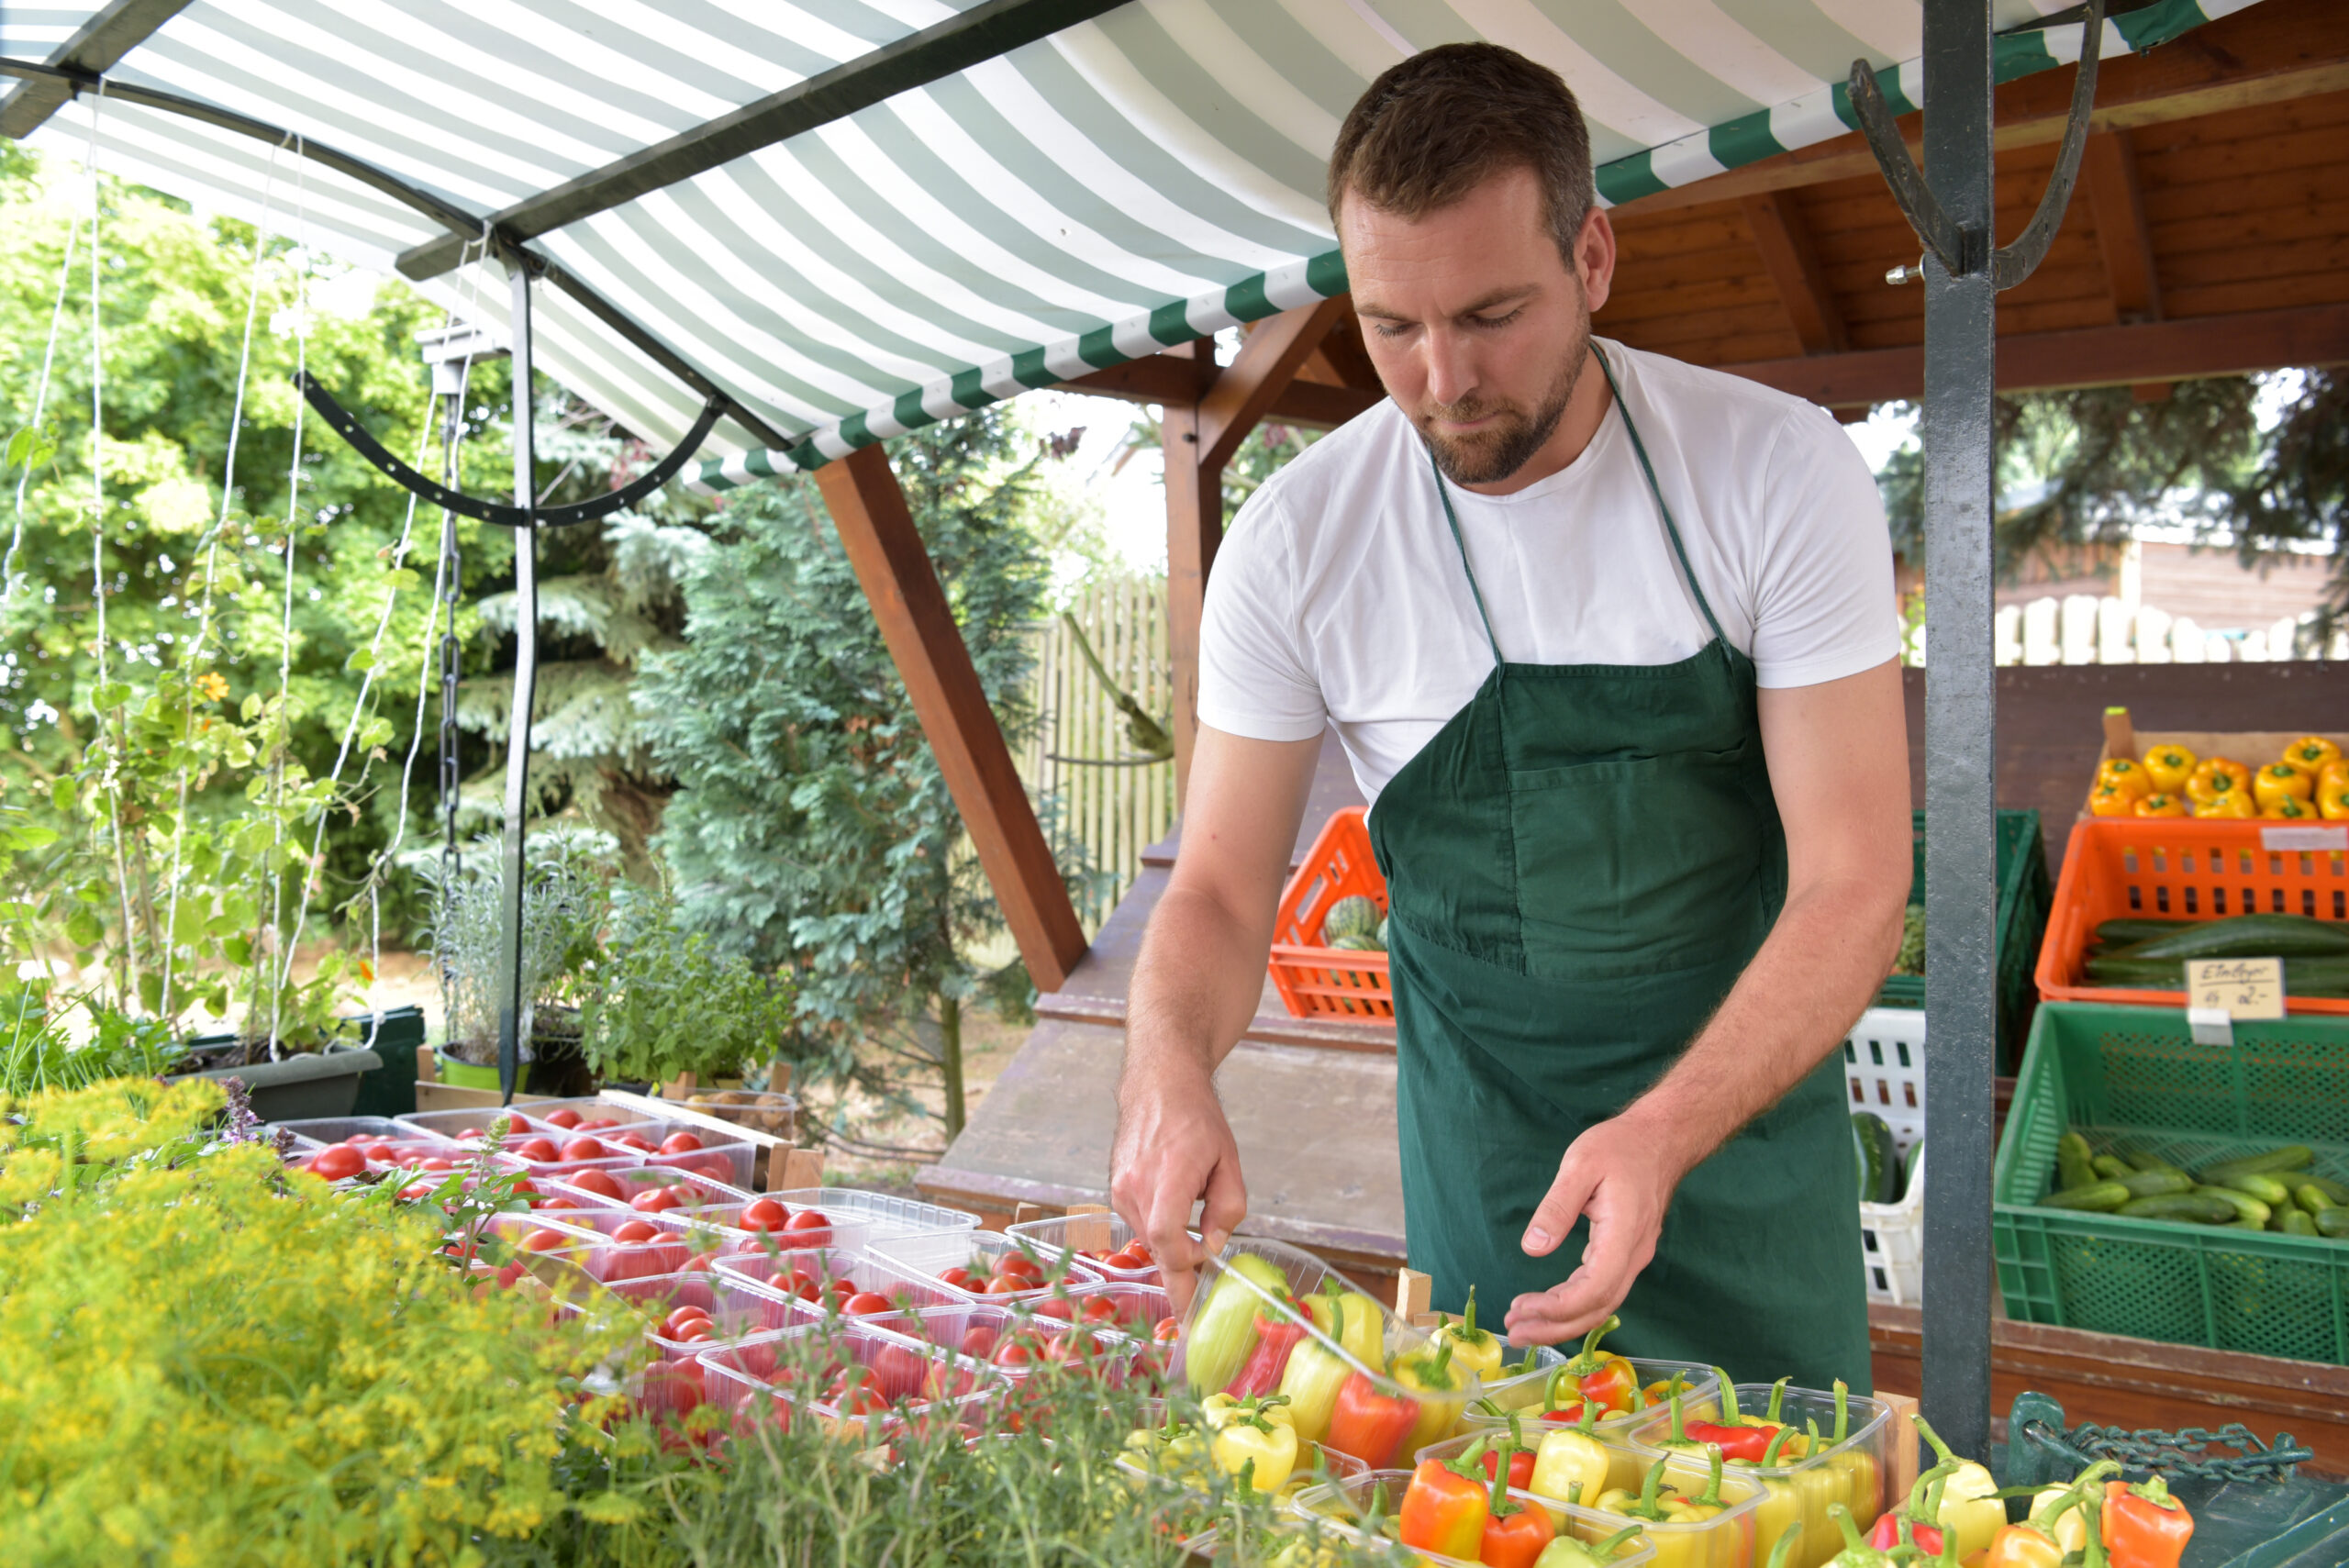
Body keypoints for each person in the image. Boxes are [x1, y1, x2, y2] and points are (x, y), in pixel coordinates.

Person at [1108, 43, 1912, 1389]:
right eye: (1390, 328)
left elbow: (1856, 882)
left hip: (1744, 1167)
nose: (1440, 378)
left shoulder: (1777, 471)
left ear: (1592, 258)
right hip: (1495, 1191)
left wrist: (1662, 1132)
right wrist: (1167, 1060)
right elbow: (1222, 895)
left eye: (1489, 315)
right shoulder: (1301, 542)